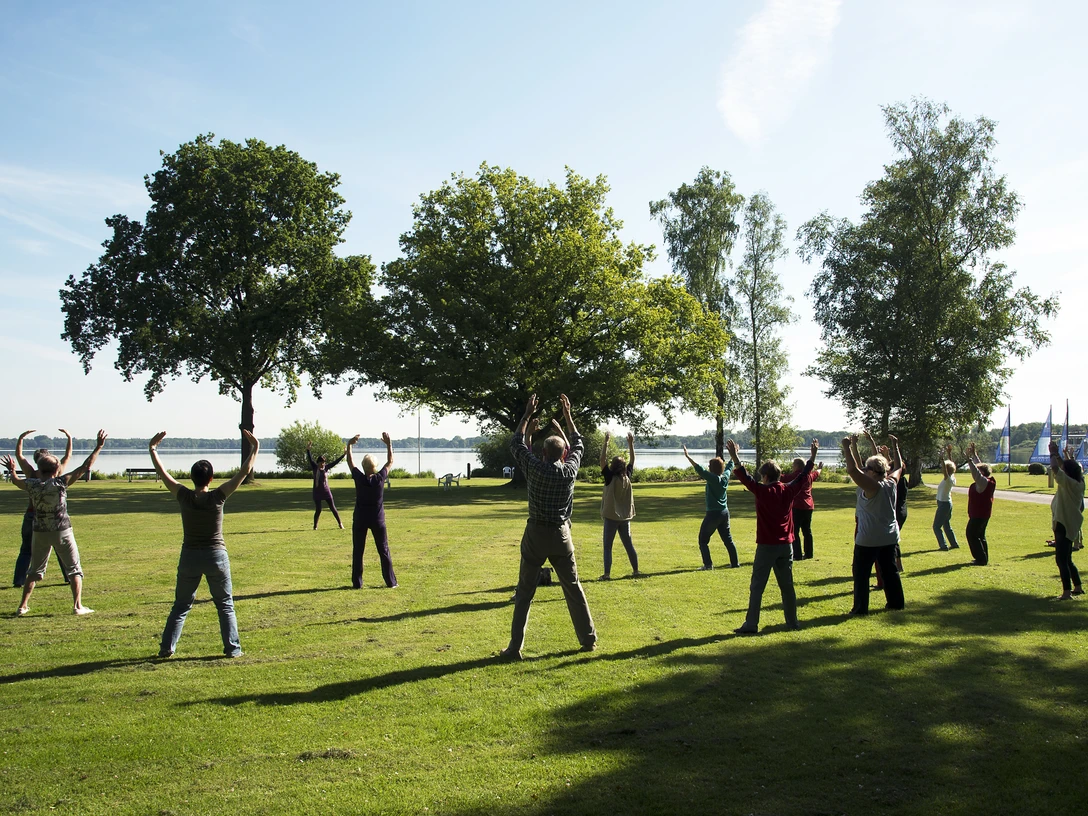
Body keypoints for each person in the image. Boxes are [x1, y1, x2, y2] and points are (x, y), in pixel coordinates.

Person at [501, 394, 596, 660]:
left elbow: (516, 443)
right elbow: (579, 444)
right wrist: (567, 416)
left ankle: (514, 648)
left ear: (543, 453)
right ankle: (588, 639)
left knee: (524, 592)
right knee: (573, 587)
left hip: (536, 534)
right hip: (561, 534)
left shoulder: (534, 467)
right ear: (562, 453)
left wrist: (527, 414)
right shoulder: (569, 470)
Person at [150, 429, 259, 658]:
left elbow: (162, 472)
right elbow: (245, 471)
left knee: (181, 605)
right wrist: (255, 447)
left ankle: (166, 648)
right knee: (225, 605)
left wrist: (153, 450)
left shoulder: (183, 495)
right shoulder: (218, 496)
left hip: (189, 555)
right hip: (215, 555)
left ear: (192, 478)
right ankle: (233, 649)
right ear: (211, 478)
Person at [4, 429, 107, 616]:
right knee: (74, 568)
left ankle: (22, 606)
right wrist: (98, 447)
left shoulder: (31, 484)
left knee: (34, 570)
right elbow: (85, 467)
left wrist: (12, 471)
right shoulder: (60, 483)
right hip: (62, 529)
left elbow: (17, 481)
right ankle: (77, 606)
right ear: (56, 469)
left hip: (39, 530)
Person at [728, 438, 818, 634]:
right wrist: (812, 457)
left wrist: (735, 456)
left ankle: (751, 624)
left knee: (757, 586)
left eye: (762, 477)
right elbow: (804, 476)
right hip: (786, 545)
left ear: (766, 477)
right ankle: (792, 622)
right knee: (787, 586)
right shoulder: (788, 489)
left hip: (767, 545)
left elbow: (744, 477)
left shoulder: (762, 491)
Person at [841, 434, 905, 615]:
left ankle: (860, 609)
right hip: (889, 537)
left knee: (861, 574)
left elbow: (853, 471)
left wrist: (846, 448)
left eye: (866, 468)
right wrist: (895, 446)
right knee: (890, 572)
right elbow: (899, 467)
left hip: (869, 539)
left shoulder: (872, 487)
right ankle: (896, 604)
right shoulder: (891, 482)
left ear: (872, 472)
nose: (863, 470)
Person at [12, 429, 73, 587]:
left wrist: (21, 438)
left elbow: (19, 456)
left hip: (32, 516)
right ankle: (69, 577)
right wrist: (69, 438)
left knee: (26, 550)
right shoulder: (57, 474)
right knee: (63, 550)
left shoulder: (31, 474)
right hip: (56, 520)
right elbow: (67, 457)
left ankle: (19, 581)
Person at [347, 432, 397, 589]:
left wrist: (349, 446)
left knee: (358, 551)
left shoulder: (359, 478)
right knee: (383, 550)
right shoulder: (380, 478)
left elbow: (350, 462)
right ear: (375, 467)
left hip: (360, 518)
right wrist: (389, 445)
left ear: (363, 467)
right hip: (378, 520)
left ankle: (357, 583)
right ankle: (391, 582)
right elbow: (390, 462)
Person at [682, 444, 739, 570]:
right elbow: (730, 466)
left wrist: (688, 456)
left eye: (709, 466)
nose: (708, 467)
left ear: (712, 469)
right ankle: (735, 564)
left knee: (703, 541)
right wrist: (734, 455)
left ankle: (708, 565)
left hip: (713, 514)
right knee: (728, 540)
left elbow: (699, 469)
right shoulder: (724, 477)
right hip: (724, 513)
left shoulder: (712, 478)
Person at [598, 431, 639, 580]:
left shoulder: (609, 477)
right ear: (623, 467)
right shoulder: (627, 475)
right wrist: (630, 444)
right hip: (625, 518)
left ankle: (607, 574)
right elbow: (633, 460)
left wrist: (606, 443)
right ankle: (635, 571)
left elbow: (602, 460)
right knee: (629, 545)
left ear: (613, 466)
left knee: (607, 547)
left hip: (611, 517)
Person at [1048, 440, 1084, 600]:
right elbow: (1065, 466)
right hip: (1071, 523)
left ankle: (1066, 592)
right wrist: (1058, 455)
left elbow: (1056, 468)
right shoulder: (1079, 483)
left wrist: (1052, 453)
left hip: (1062, 522)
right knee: (1068, 558)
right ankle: (1077, 586)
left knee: (1061, 559)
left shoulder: (1067, 483)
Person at [964, 443, 996, 566]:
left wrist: (969, 460)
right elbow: (980, 467)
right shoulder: (987, 481)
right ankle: (983, 558)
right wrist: (975, 454)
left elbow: (976, 472)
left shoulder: (983, 482)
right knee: (980, 535)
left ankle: (980, 559)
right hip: (983, 514)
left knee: (971, 534)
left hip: (979, 514)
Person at [785, 456, 822, 561]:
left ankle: (797, 554)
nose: (792, 467)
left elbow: (782, 477)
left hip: (797, 506)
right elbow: (817, 473)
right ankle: (809, 553)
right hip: (809, 506)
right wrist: (820, 468)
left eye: (793, 465)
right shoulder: (809, 475)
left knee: (794, 531)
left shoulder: (796, 475)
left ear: (797, 466)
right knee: (807, 530)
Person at [306, 440, 346, 530]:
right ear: (318, 462)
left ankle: (340, 524)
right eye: (321, 463)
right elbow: (310, 458)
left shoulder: (326, 468)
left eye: (323, 462)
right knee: (318, 510)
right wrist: (308, 450)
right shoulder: (315, 467)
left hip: (326, 491)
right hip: (317, 492)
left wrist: (344, 455)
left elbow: (336, 462)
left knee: (333, 508)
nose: (322, 464)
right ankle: (315, 526)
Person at [932, 444, 960, 551]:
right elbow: (951, 465)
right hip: (947, 503)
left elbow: (945, 469)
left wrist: (942, 458)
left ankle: (943, 546)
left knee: (936, 527)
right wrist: (949, 453)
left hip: (943, 504)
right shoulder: (952, 477)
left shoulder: (947, 478)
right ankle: (954, 543)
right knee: (946, 524)